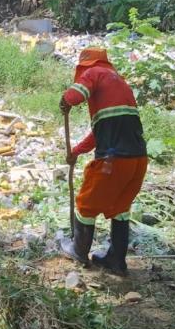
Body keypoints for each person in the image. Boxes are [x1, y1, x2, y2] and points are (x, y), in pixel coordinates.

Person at [59, 47, 147, 276]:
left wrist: (65, 100)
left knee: (86, 204)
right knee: (120, 209)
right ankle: (117, 261)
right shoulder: (119, 82)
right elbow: (100, 133)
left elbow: (75, 95)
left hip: (113, 160)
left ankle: (79, 250)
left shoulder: (94, 73)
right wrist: (77, 151)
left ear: (84, 66)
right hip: (137, 160)